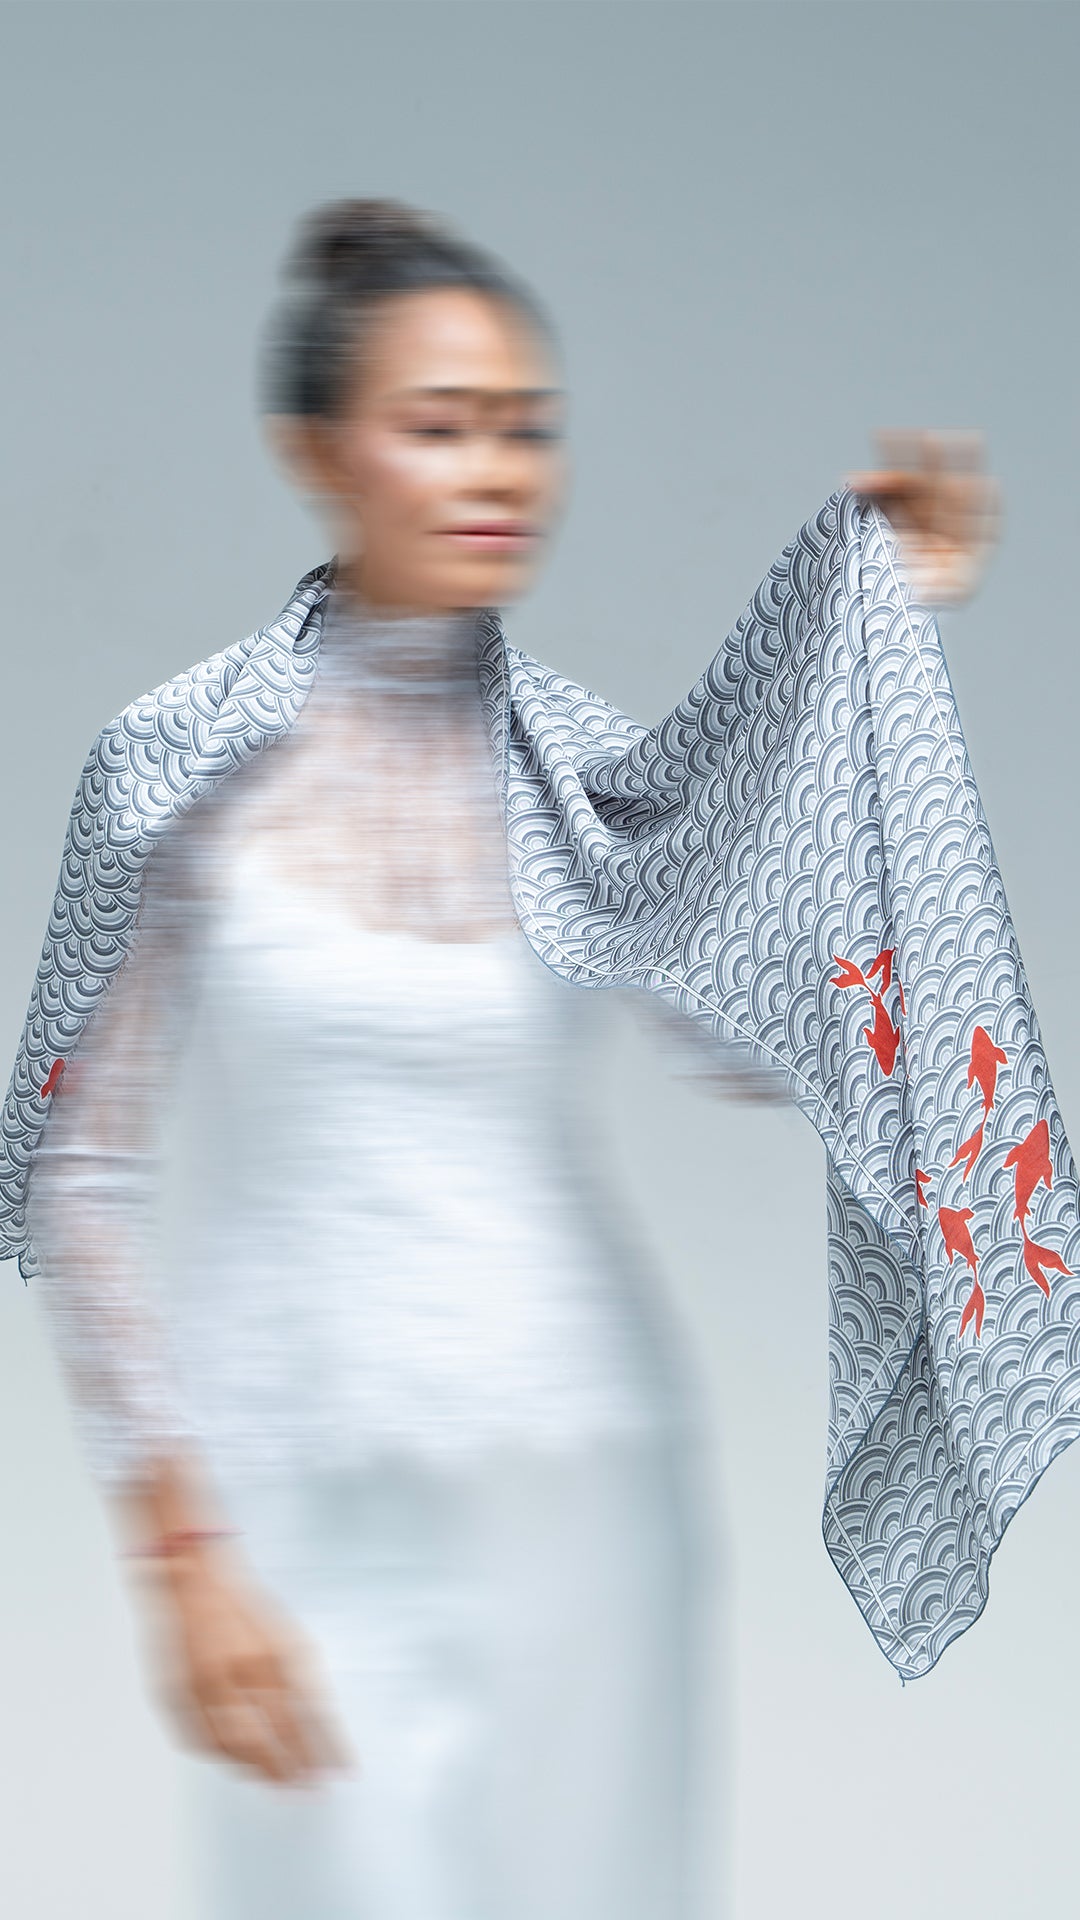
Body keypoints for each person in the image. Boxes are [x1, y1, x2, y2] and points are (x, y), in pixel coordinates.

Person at [20, 198, 998, 1919]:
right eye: (443, 426)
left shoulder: (584, 771)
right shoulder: (172, 762)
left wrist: (865, 656)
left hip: (588, 1492)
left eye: (530, 430)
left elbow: (756, 1038)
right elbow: (73, 1172)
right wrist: (178, 1557)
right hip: (297, 1501)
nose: (500, 473)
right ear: (315, 450)